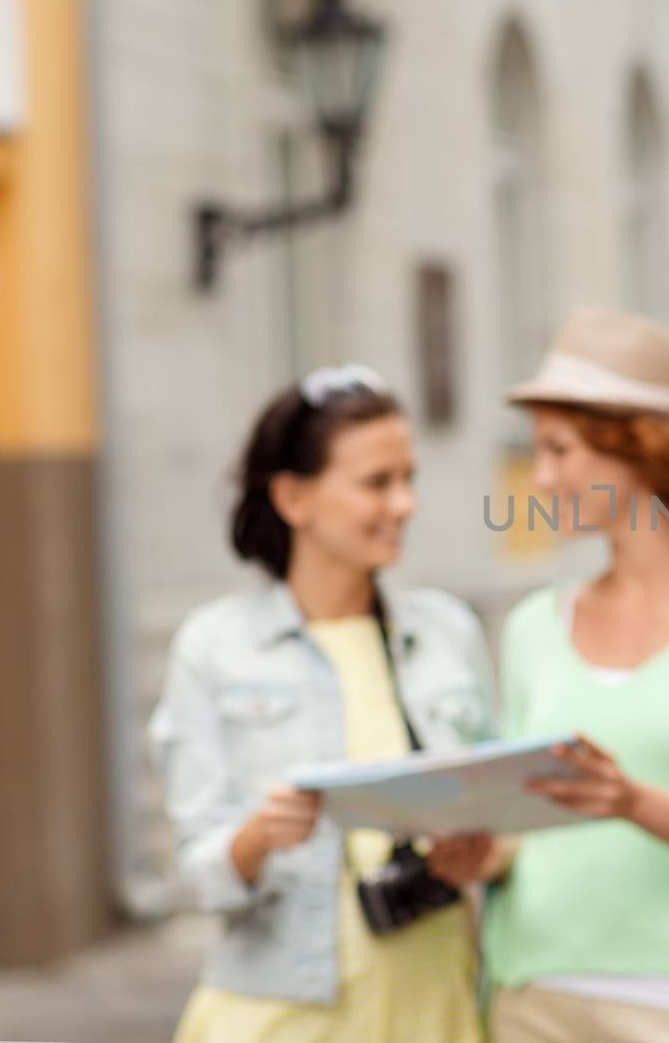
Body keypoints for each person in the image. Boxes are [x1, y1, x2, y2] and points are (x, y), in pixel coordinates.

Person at [150, 365, 496, 1043]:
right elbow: (195, 873)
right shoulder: (214, 647)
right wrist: (255, 838)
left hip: (435, 1004)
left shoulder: (446, 631)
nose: (405, 504)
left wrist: (482, 853)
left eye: (409, 478)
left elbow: (504, 812)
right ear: (293, 497)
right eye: (377, 482)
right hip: (278, 1015)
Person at [476, 310, 669, 1042]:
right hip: (530, 994)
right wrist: (479, 850)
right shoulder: (532, 625)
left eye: (559, 449)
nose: (542, 477)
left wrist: (630, 800)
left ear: (639, 449)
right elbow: (527, 826)